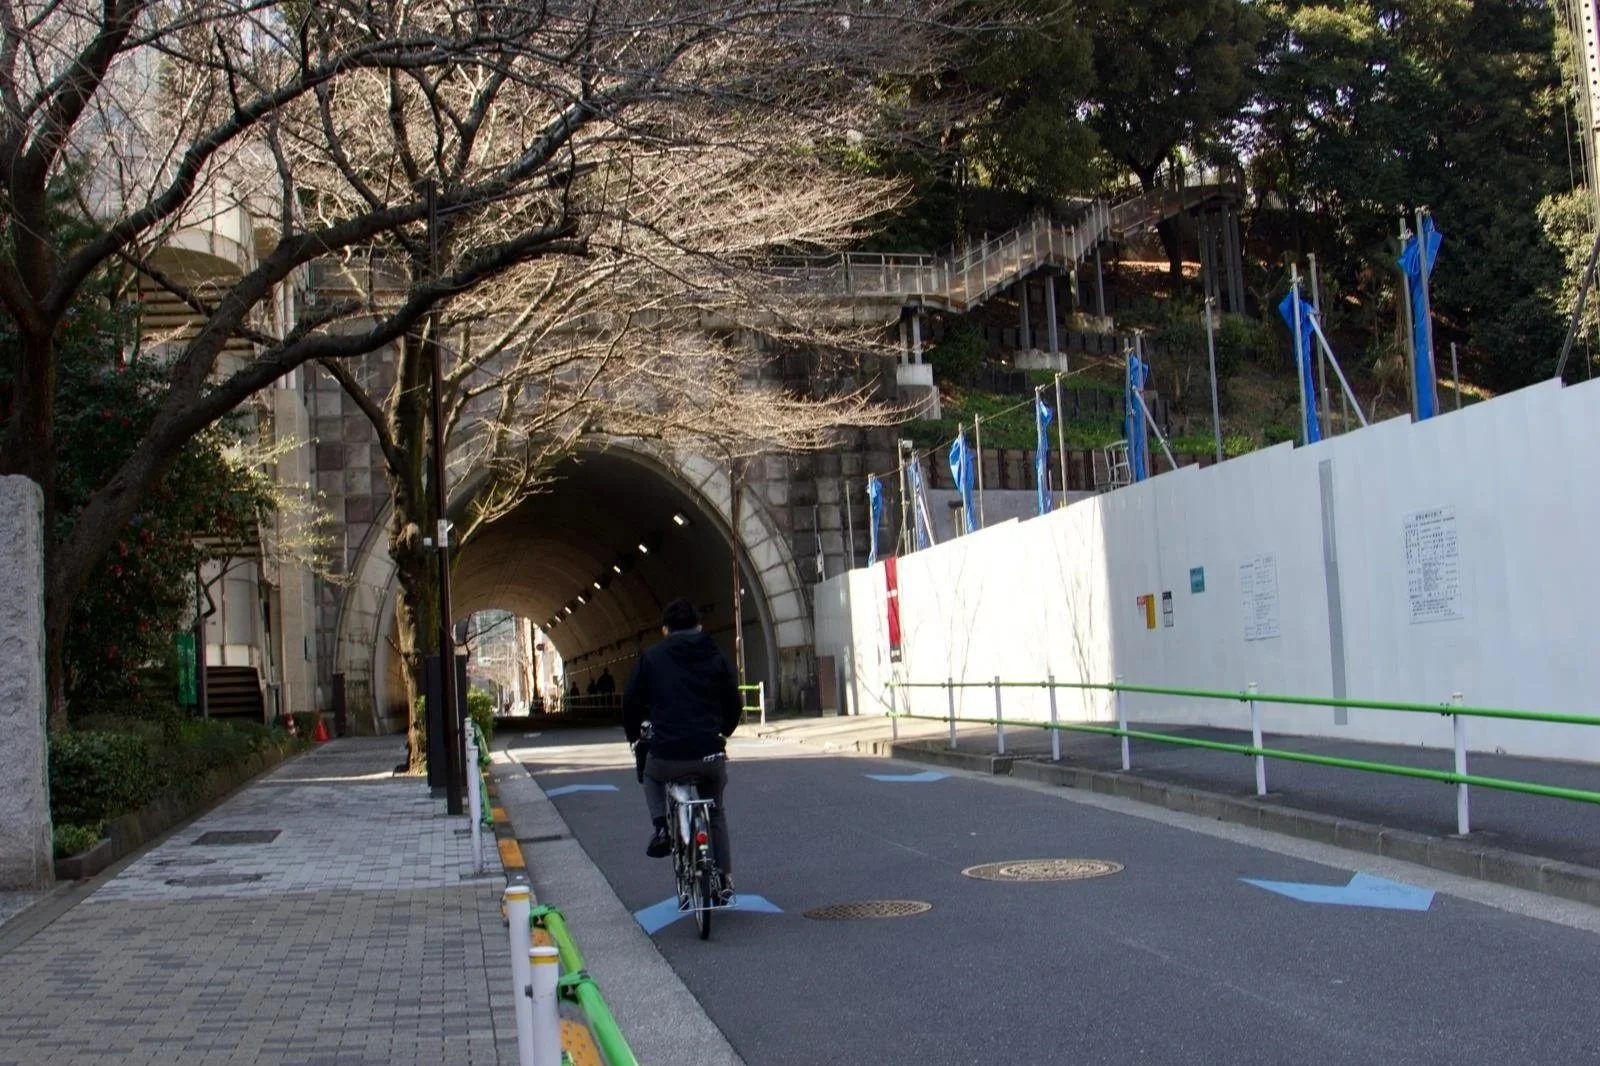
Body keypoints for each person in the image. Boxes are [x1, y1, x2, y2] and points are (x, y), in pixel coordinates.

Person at [622, 599, 741, 897]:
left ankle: (661, 827)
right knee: (715, 812)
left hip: (667, 755)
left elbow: (631, 701)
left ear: (665, 630)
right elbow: (732, 701)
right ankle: (725, 879)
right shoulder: (715, 654)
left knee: (650, 774)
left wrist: (634, 736)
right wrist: (723, 730)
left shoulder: (651, 658)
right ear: (699, 626)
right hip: (710, 753)